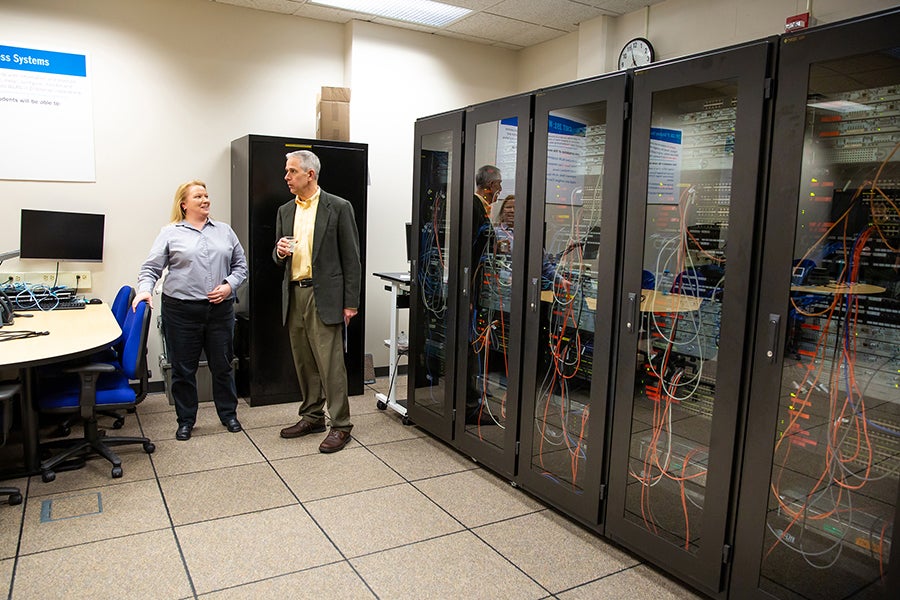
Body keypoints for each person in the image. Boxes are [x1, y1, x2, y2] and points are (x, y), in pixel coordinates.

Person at [134, 180, 247, 441]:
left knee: (223, 365)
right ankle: (186, 420)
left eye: (207, 195)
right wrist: (144, 290)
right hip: (181, 311)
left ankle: (228, 415)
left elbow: (241, 266)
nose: (205, 199)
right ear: (184, 204)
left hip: (219, 311)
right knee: (184, 370)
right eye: (198, 196)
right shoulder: (170, 232)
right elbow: (151, 268)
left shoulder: (224, 231)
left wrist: (229, 286)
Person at [274, 150, 361, 454]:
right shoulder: (285, 210)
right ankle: (311, 416)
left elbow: (352, 258)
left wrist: (351, 303)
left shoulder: (337, 207)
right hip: (295, 292)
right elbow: (277, 256)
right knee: (304, 361)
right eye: (287, 172)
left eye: (292, 171)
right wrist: (279, 251)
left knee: (330, 363)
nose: (286, 177)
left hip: (325, 295)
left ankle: (341, 424)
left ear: (310, 174)